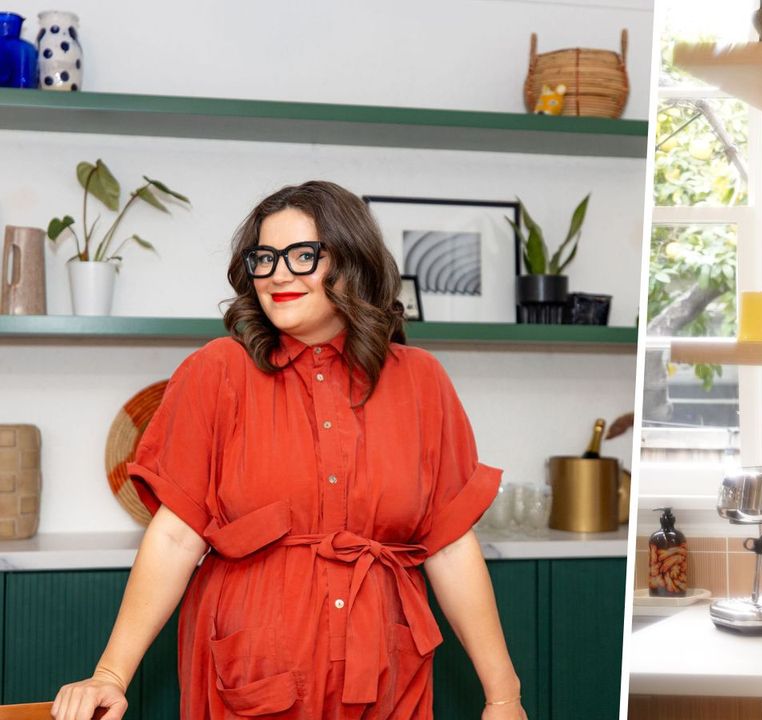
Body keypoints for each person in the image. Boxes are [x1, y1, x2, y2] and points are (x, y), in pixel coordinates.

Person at [51, 181, 526, 720]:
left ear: (353, 262)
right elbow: (177, 534)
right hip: (250, 671)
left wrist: (503, 696)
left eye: (304, 255)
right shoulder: (216, 372)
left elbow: (450, 546)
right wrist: (110, 674)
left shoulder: (422, 382)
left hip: (388, 674)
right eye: (264, 258)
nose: (278, 274)